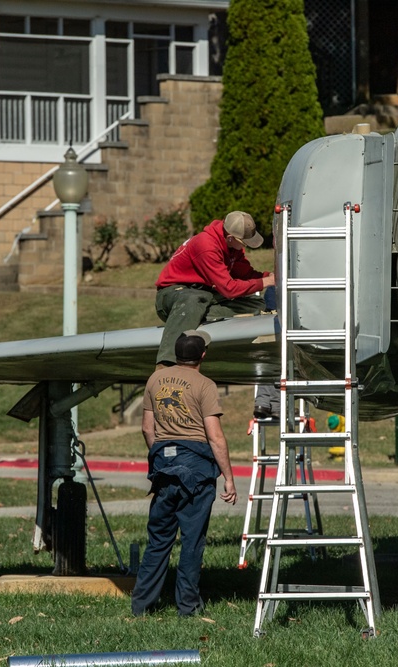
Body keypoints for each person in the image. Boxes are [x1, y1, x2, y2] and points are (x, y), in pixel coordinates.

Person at [131, 330, 238, 617]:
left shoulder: (155, 379)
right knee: (191, 541)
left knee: (158, 540)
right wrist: (228, 477)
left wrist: (163, 457)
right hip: (197, 472)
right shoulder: (205, 385)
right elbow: (215, 437)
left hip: (164, 469)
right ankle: (187, 607)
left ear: (176, 354)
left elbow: (146, 428)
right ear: (202, 355)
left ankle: (142, 606)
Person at [154, 211, 276, 367]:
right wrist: (266, 281)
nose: (245, 247)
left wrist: (269, 276)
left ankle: (198, 315)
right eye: (245, 242)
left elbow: (245, 273)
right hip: (174, 294)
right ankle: (166, 364)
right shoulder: (206, 245)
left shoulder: (232, 246)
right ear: (231, 238)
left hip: (204, 295)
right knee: (193, 299)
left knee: (256, 304)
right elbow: (229, 289)